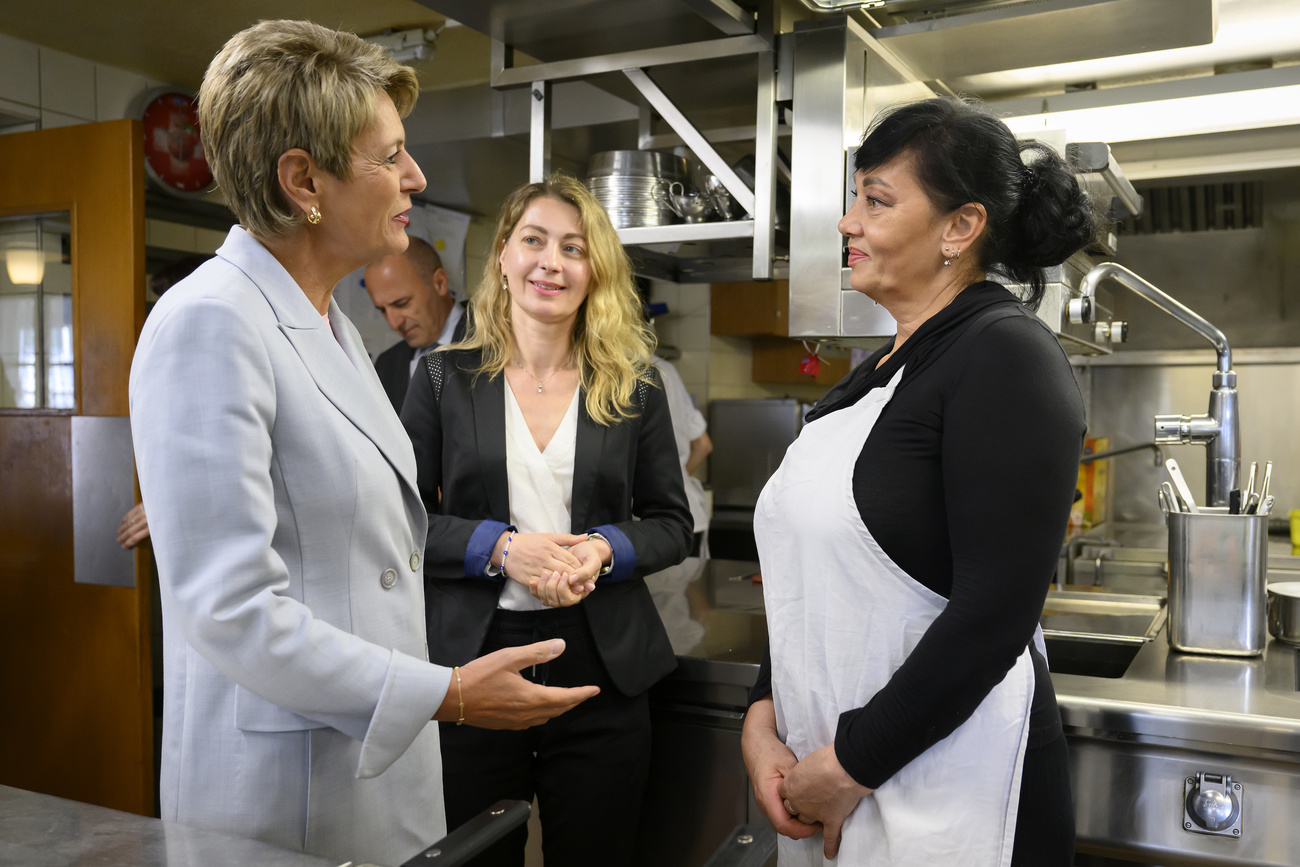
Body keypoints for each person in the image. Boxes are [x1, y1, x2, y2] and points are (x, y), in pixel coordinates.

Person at [129, 21, 597, 866]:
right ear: (302, 179)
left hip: (367, 769)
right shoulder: (209, 321)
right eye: (390, 157)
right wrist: (446, 693)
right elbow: (229, 609)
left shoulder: (334, 325)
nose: (414, 176)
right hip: (287, 792)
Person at [742, 95, 1096, 866]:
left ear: (960, 228)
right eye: (854, 196)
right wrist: (762, 717)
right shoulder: (872, 372)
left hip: (945, 792)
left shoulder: (1006, 358)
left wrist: (846, 767)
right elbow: (807, 578)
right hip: (829, 781)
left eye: (875, 199)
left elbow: (992, 617)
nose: (847, 221)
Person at [400, 173, 694, 865]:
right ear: (503, 253)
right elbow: (400, 520)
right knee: (476, 853)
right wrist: (500, 547)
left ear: (596, 270)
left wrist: (602, 548)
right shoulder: (441, 379)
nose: (550, 263)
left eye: (573, 247)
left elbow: (671, 522)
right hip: (474, 657)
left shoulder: (635, 382)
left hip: (601, 666)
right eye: (533, 240)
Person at [365, 235, 468, 413]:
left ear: (440, 282)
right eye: (382, 310)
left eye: (402, 303)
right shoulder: (386, 366)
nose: (393, 323)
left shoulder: (495, 336)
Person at [653, 356, 713, 556]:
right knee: (688, 584)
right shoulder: (664, 368)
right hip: (687, 513)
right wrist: (676, 482)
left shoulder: (612, 368)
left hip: (648, 525)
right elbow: (703, 445)